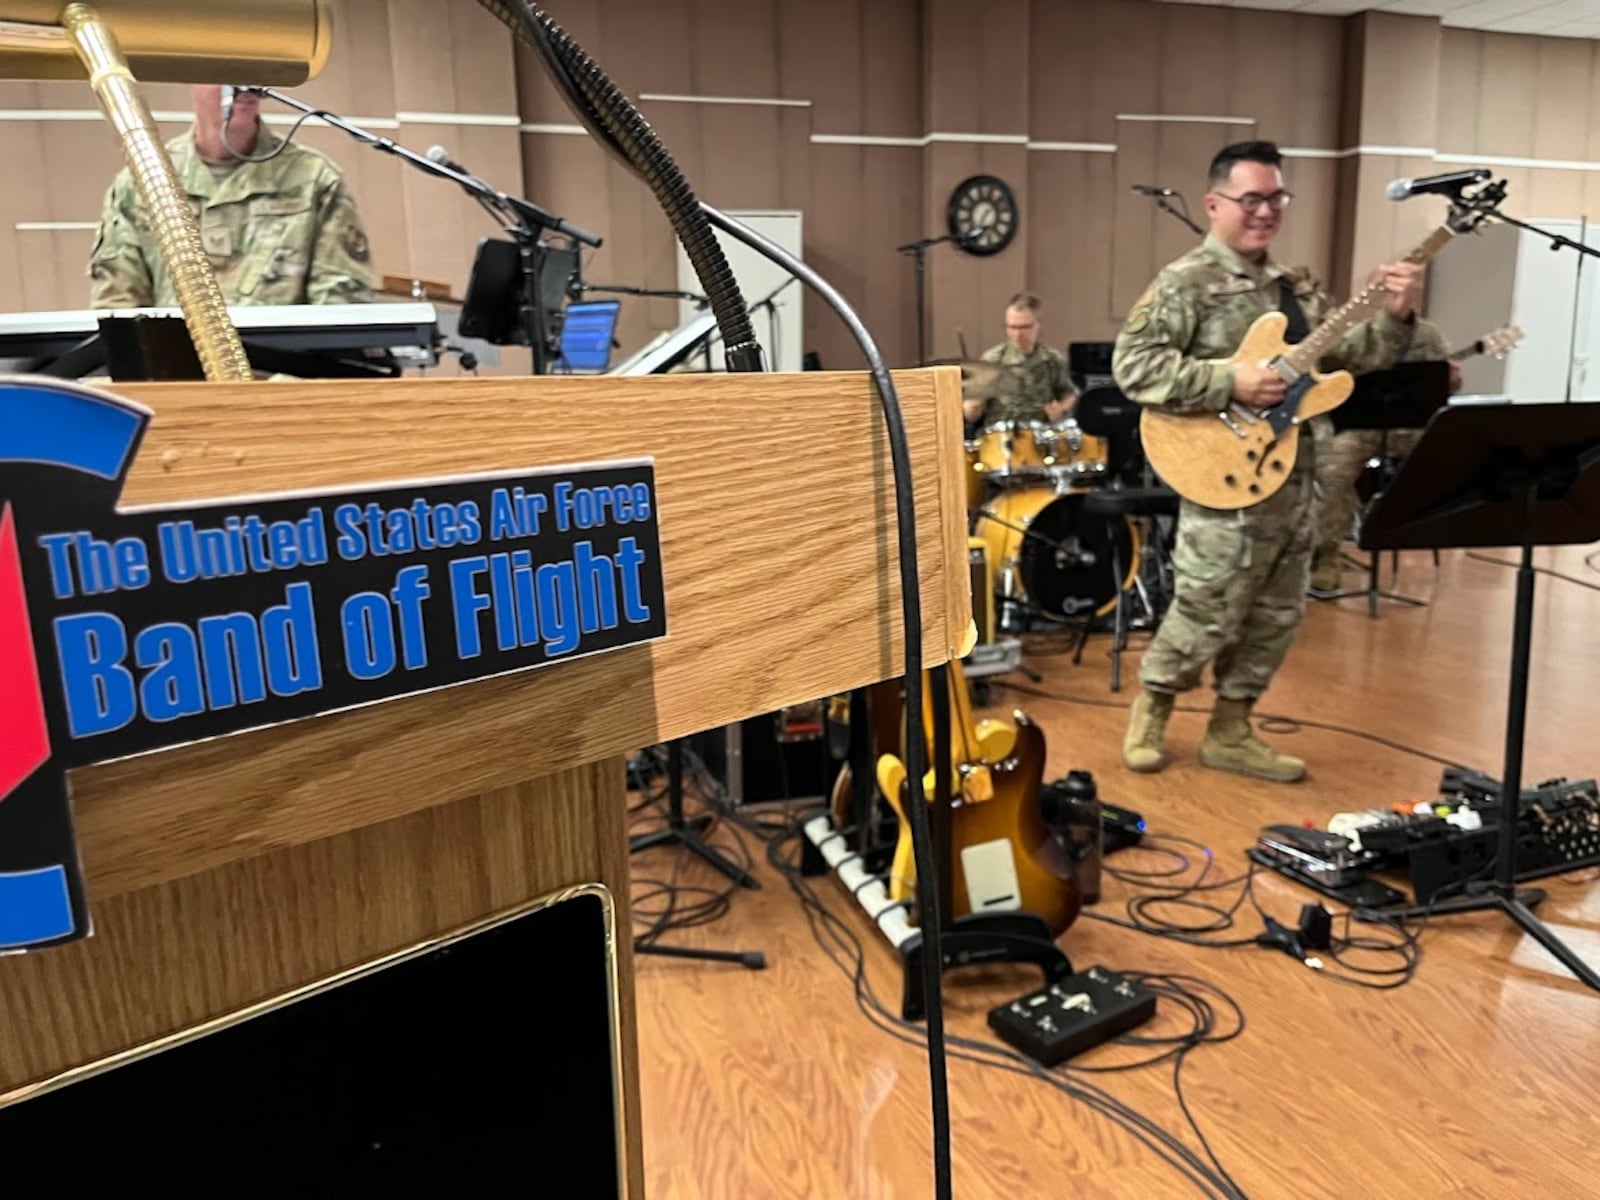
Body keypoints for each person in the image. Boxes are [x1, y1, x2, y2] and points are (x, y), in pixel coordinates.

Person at [1113, 140, 1424, 783]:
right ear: (1214, 204)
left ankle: (1231, 729)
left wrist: (1395, 316)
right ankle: (1154, 708)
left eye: (1275, 197)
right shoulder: (1185, 282)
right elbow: (1134, 366)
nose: (1265, 211)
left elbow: (1352, 356)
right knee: (1204, 607)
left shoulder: (1296, 285)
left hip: (1295, 478)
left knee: (1277, 615)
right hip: (1223, 477)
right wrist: (1230, 382)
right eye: (1251, 198)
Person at [89, 85, 374, 309]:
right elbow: (118, 303)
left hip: (286, 375)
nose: (242, 86)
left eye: (250, 71)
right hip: (178, 375)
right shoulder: (146, 180)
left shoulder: (313, 178)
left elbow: (340, 303)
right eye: (224, 71)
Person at [1309, 322, 1462, 592]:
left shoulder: (1428, 335)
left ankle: (1406, 525)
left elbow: (1447, 387)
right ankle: (1328, 554)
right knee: (1332, 471)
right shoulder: (1356, 331)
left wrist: (1452, 378)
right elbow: (1327, 373)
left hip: (1410, 424)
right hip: (1360, 425)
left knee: (1446, 453)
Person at [964, 294, 1076, 428]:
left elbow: (1070, 394)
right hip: (1000, 436)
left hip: (1039, 436)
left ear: (1038, 325)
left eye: (1025, 327)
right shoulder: (991, 360)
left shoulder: (1052, 359)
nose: (1018, 334)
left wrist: (1061, 408)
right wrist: (973, 407)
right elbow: (971, 415)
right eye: (1012, 327)